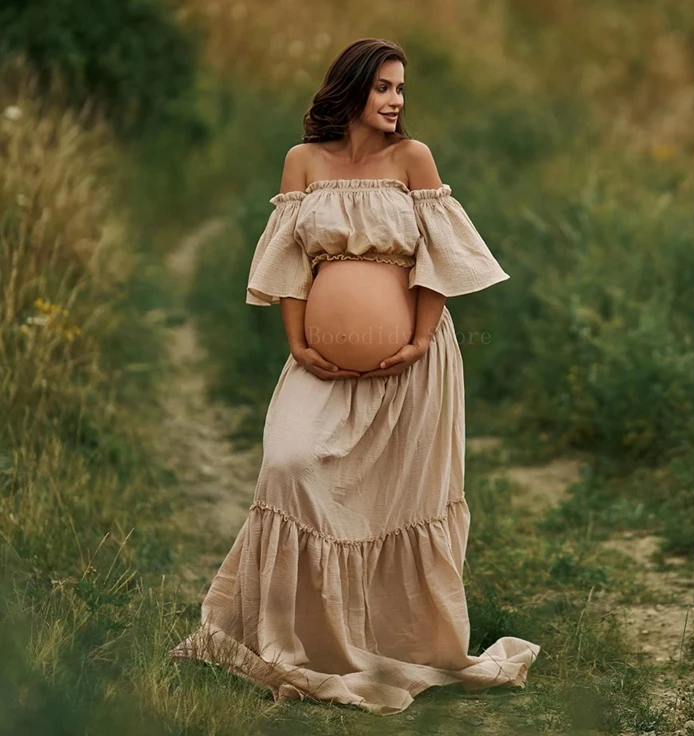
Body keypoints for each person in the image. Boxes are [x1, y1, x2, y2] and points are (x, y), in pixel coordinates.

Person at [169, 37, 540, 716]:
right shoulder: (303, 161)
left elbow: (441, 259)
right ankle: (299, 637)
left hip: (413, 367)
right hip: (318, 364)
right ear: (352, 91)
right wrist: (299, 343)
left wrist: (420, 338)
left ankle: (385, 638)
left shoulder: (414, 159)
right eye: (385, 88)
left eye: (402, 89)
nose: (397, 101)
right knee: (289, 463)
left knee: (392, 504)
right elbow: (287, 266)